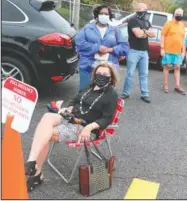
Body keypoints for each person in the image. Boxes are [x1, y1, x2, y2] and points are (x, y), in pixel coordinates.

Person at [24, 63, 119, 192]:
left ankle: (36, 172)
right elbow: (74, 101)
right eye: (99, 73)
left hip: (85, 127)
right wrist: (66, 109)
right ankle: (32, 162)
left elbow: (106, 119)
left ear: (111, 77)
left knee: (46, 133)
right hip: (71, 117)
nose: (101, 76)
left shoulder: (111, 95)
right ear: (94, 74)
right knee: (47, 117)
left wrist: (89, 128)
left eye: (105, 75)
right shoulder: (88, 87)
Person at [75, 5, 129, 91]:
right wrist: (97, 47)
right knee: (84, 91)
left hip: (108, 69)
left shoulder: (115, 30)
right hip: (88, 67)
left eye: (106, 14)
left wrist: (110, 49)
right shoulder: (87, 28)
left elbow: (125, 47)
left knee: (104, 95)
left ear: (109, 16)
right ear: (97, 15)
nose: (104, 15)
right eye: (101, 13)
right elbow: (79, 43)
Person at [120, 3, 156, 103]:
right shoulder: (132, 20)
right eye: (145, 9)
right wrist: (146, 32)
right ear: (139, 10)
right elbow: (138, 35)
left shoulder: (147, 21)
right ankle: (126, 92)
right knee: (130, 73)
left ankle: (145, 94)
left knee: (144, 74)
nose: (146, 12)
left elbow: (153, 34)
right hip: (133, 51)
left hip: (144, 52)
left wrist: (144, 31)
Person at [160, 8, 186, 94]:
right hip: (167, 51)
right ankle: (165, 84)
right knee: (167, 67)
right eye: (177, 14)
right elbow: (162, 35)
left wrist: (183, 51)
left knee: (177, 67)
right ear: (174, 14)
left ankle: (177, 86)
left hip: (178, 52)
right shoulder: (168, 23)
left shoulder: (182, 25)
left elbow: (183, 39)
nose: (179, 16)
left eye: (180, 14)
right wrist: (162, 48)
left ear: (182, 15)